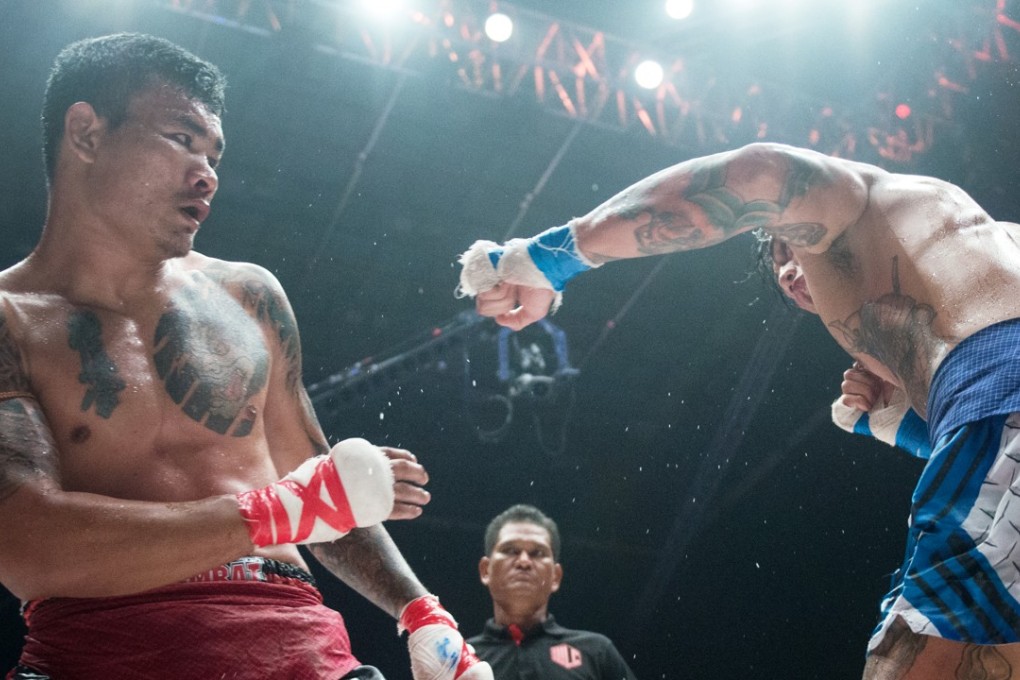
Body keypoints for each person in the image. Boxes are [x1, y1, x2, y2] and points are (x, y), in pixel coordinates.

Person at [0, 32, 491, 680]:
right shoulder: (11, 320)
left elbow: (318, 488)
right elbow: (26, 543)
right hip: (104, 652)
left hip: (299, 644)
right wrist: (280, 509)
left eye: (214, 152)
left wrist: (421, 611)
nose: (207, 173)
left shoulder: (248, 296)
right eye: (181, 138)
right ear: (86, 133)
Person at [455, 141, 1020, 679]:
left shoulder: (859, 200)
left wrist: (549, 256)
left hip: (994, 396)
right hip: (987, 406)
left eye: (784, 248)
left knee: (913, 657)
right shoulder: (980, 253)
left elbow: (760, 173)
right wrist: (905, 424)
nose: (789, 272)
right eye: (778, 269)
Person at [469, 504, 637, 679]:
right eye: (511, 550)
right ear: (486, 570)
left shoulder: (596, 652)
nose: (524, 562)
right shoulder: (458, 659)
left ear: (555, 577)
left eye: (537, 553)